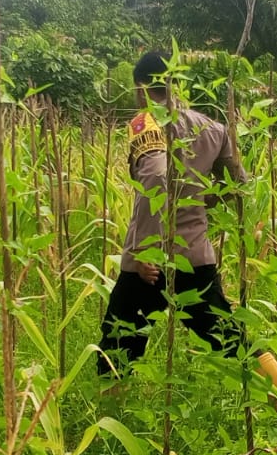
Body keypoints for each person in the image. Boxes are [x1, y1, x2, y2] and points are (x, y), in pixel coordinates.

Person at [96, 49, 246, 376]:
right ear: (173, 84)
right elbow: (238, 184)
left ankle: (110, 417)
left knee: (116, 349)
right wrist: (201, 200)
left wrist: (143, 252)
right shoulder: (213, 128)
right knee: (232, 339)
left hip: (151, 265)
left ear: (139, 88)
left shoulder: (145, 121)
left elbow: (156, 176)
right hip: (196, 257)